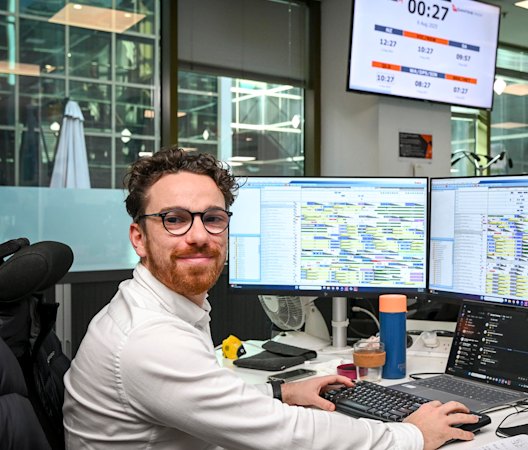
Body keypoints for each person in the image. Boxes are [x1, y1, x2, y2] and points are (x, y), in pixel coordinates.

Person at [63, 147, 478, 450]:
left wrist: (281, 393)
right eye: (173, 219)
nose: (198, 236)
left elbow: (212, 401)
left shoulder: (161, 305)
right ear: (139, 237)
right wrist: (411, 436)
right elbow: (286, 435)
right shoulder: (148, 337)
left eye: (212, 219)